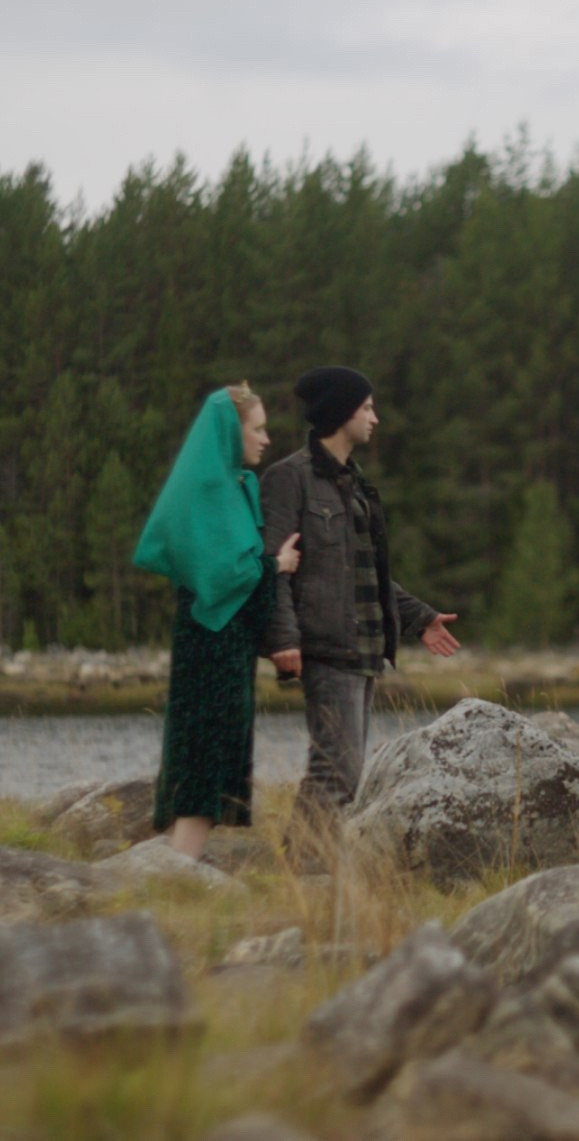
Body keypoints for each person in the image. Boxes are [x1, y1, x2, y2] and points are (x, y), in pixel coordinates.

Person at [261, 366, 460, 847]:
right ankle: (303, 869)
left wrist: (419, 617)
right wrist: (283, 640)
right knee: (337, 771)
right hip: (326, 649)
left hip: (365, 649)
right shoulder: (288, 479)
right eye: (367, 408)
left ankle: (310, 868)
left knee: (343, 772)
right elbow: (272, 566)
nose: (376, 418)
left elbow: (362, 570)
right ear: (342, 412)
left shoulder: (355, 483)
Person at [132, 383, 301, 860]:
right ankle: (179, 870)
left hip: (222, 646)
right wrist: (277, 566)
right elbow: (223, 576)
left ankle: (176, 868)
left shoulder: (227, 486)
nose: (266, 439)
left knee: (210, 757)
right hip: (211, 646)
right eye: (258, 428)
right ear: (231, 432)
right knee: (203, 761)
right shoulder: (210, 490)